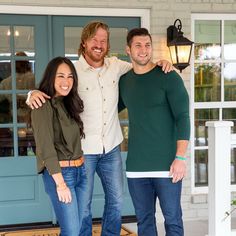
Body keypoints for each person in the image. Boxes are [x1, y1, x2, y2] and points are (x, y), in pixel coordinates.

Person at [26, 21, 173, 236]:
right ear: (84, 42)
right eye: (94, 39)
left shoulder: (117, 66)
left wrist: (162, 63)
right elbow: (52, 87)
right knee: (82, 207)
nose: (99, 44)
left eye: (103, 40)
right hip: (83, 151)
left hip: (111, 147)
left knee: (115, 202)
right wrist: (31, 94)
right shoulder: (72, 71)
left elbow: (141, 64)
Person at [118, 28, 190, 236]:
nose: (143, 50)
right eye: (138, 45)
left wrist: (180, 157)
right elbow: (106, 110)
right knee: (145, 222)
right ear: (128, 50)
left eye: (147, 45)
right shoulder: (125, 82)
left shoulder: (168, 76)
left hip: (168, 166)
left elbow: (183, 117)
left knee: (173, 220)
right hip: (137, 168)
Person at [30, 57, 87, 236]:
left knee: (77, 228)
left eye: (70, 77)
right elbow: (45, 148)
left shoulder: (69, 102)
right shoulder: (41, 105)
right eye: (60, 76)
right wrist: (61, 184)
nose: (66, 82)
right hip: (61, 175)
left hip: (81, 171)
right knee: (71, 231)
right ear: (51, 77)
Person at [0, 51, 35, 122]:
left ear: (13, 65)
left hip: (15, 118)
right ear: (27, 64)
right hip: (33, 116)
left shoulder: (6, 82)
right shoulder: (35, 79)